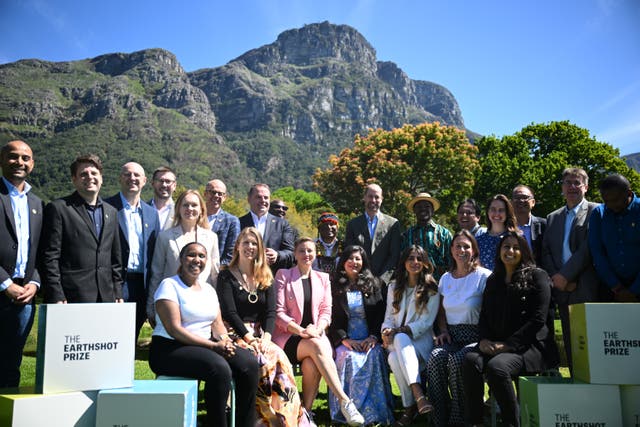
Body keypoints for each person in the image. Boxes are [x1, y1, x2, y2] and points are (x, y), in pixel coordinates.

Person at [148, 242, 259, 427]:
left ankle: (243, 423)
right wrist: (214, 347)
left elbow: (217, 325)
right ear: (182, 259)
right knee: (219, 368)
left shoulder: (208, 289)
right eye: (192, 255)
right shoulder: (169, 285)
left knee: (248, 363)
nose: (197, 260)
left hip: (205, 346)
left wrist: (226, 343)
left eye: (201, 256)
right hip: (170, 348)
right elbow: (174, 329)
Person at [463, 232, 557, 427]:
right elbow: (485, 316)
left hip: (530, 346)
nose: (511, 251)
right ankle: (476, 422)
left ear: (523, 252)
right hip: (497, 344)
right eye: (506, 246)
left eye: (516, 247)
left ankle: (510, 422)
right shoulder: (493, 280)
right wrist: (484, 340)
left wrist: (509, 345)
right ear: (499, 251)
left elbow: (539, 318)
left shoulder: (538, 276)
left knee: (497, 367)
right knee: (470, 361)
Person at [274, 237, 365, 426]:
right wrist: (301, 330)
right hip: (289, 337)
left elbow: (326, 311)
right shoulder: (284, 275)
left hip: (315, 336)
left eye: (310, 251)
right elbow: (279, 312)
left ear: (315, 254)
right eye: (302, 251)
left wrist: (317, 328)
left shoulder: (323, 278)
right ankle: (345, 401)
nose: (306, 254)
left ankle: (305, 414)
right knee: (316, 346)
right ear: (295, 254)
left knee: (311, 365)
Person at [217, 227, 303, 426]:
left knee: (280, 358)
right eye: (246, 242)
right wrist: (250, 338)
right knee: (260, 361)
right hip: (234, 334)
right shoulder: (226, 276)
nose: (250, 247)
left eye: (254, 243)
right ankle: (263, 418)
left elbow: (271, 313)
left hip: (261, 335)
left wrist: (265, 338)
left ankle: (288, 417)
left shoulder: (266, 276)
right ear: (237, 246)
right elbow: (230, 313)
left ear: (260, 248)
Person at [426, 230, 491, 427]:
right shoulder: (446, 278)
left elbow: (492, 312)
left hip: (477, 336)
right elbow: (441, 311)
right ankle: (440, 417)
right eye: (457, 246)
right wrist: (443, 330)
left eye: (466, 246)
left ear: (474, 250)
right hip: (453, 335)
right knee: (436, 357)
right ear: (451, 250)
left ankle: (462, 418)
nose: (461, 250)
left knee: (457, 361)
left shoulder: (484, 277)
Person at [42, 154, 124, 303]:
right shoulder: (59, 209)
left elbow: (116, 258)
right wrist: (56, 293)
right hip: (71, 296)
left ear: (101, 178)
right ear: (74, 179)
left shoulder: (111, 212)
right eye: (83, 174)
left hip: (106, 296)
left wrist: (117, 292)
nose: (89, 177)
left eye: (94, 173)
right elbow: (50, 257)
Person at [328, 245, 394, 425]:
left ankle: (373, 411)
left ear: (363, 262)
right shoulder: (333, 285)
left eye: (358, 258)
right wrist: (344, 339)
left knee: (374, 355)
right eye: (350, 258)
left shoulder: (375, 284)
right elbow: (330, 317)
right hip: (346, 339)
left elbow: (381, 314)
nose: (354, 262)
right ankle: (348, 410)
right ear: (343, 262)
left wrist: (373, 337)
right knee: (345, 357)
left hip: (369, 338)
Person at [541, 167, 598, 371]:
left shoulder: (596, 211)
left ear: (586, 186)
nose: (572, 186)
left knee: (592, 345)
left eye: (577, 182)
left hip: (586, 287)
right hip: (561, 289)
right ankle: (575, 386)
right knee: (571, 342)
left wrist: (567, 276)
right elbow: (546, 250)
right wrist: (557, 278)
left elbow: (589, 248)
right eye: (568, 183)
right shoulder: (553, 217)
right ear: (562, 188)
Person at [0, 140, 44, 388]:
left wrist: (35, 282)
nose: (20, 162)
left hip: (24, 298)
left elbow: (38, 250)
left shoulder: (36, 204)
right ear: (2, 160)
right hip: (2, 288)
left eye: (25, 158)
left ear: (32, 163)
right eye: (13, 157)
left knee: (11, 363)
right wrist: (5, 283)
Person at [381, 245, 439, 426]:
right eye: (411, 258)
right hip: (398, 344)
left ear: (425, 263)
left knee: (395, 350)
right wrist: (385, 331)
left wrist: (398, 332)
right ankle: (417, 399)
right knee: (393, 352)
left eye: (419, 259)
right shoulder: (394, 286)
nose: (415, 262)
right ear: (404, 262)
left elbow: (426, 323)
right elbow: (389, 317)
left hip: (421, 344)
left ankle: (411, 404)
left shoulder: (431, 287)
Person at [105, 162, 161, 340]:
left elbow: (153, 253)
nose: (132, 179)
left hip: (141, 285)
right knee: (110, 334)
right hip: (115, 281)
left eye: (137, 175)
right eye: (127, 174)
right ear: (120, 178)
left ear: (144, 181)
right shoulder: (106, 207)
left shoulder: (152, 214)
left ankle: (125, 367)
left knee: (131, 337)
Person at [146, 190, 220, 324]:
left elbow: (214, 274)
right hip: (173, 302)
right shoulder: (165, 237)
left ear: (201, 209)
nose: (189, 209)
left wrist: (219, 307)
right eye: (185, 205)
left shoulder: (211, 237)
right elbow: (157, 273)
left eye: (194, 205)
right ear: (178, 208)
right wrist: (151, 307)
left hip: (201, 304)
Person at [588, 173, 640, 302]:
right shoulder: (599, 214)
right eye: (606, 201)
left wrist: (634, 290)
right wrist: (616, 286)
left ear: (628, 193)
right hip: (611, 287)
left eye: (615, 200)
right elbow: (597, 252)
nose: (610, 205)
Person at [345, 184, 401, 283]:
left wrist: (381, 281)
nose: (373, 200)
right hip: (358, 281)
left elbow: (394, 256)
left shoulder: (393, 224)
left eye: (377, 197)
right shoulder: (352, 224)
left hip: (384, 284)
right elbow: (350, 254)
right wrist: (361, 278)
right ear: (364, 197)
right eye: (370, 196)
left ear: (382, 199)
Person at [239, 184, 295, 273]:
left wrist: (277, 255)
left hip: (272, 278)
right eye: (258, 197)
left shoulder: (282, 224)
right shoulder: (238, 223)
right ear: (249, 199)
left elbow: (291, 252)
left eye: (266, 198)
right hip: (244, 275)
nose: (263, 200)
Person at [401, 192, 453, 280]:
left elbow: (452, 262)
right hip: (414, 284)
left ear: (433, 210)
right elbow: (403, 262)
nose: (423, 209)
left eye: (427, 206)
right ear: (414, 211)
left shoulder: (444, 234)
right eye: (419, 207)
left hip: (440, 284)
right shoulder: (407, 235)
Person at [476, 194, 518, 271]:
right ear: (488, 212)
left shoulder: (515, 238)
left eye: (501, 210)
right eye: (493, 209)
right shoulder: (478, 240)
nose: (497, 214)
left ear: (507, 213)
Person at [205, 179, 240, 265]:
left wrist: (216, 272)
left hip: (216, 273)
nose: (216, 196)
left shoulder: (232, 221)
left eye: (220, 194)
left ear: (224, 198)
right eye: (213, 192)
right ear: (205, 194)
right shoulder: (195, 216)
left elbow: (231, 254)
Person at [511, 185, 546, 264]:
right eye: (517, 197)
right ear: (511, 202)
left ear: (533, 202)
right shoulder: (506, 226)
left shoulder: (544, 225)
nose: (521, 200)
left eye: (525, 197)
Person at [149, 166, 177, 231]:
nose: (164, 185)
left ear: (174, 185)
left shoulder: (180, 212)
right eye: (160, 181)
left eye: (168, 181)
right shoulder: (141, 210)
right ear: (152, 183)